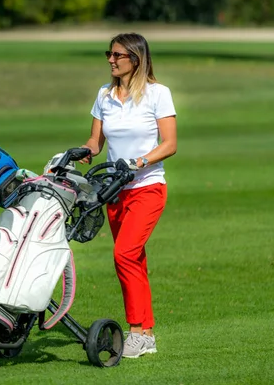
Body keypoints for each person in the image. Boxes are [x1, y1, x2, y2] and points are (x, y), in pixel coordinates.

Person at [81, 33, 177, 358]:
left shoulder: (157, 94)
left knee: (124, 254)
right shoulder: (104, 95)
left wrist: (140, 161)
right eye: (109, 54)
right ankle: (146, 333)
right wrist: (86, 151)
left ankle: (135, 330)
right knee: (132, 259)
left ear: (135, 59)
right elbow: (97, 141)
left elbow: (169, 144)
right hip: (114, 191)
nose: (110, 60)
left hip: (148, 187)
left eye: (117, 55)